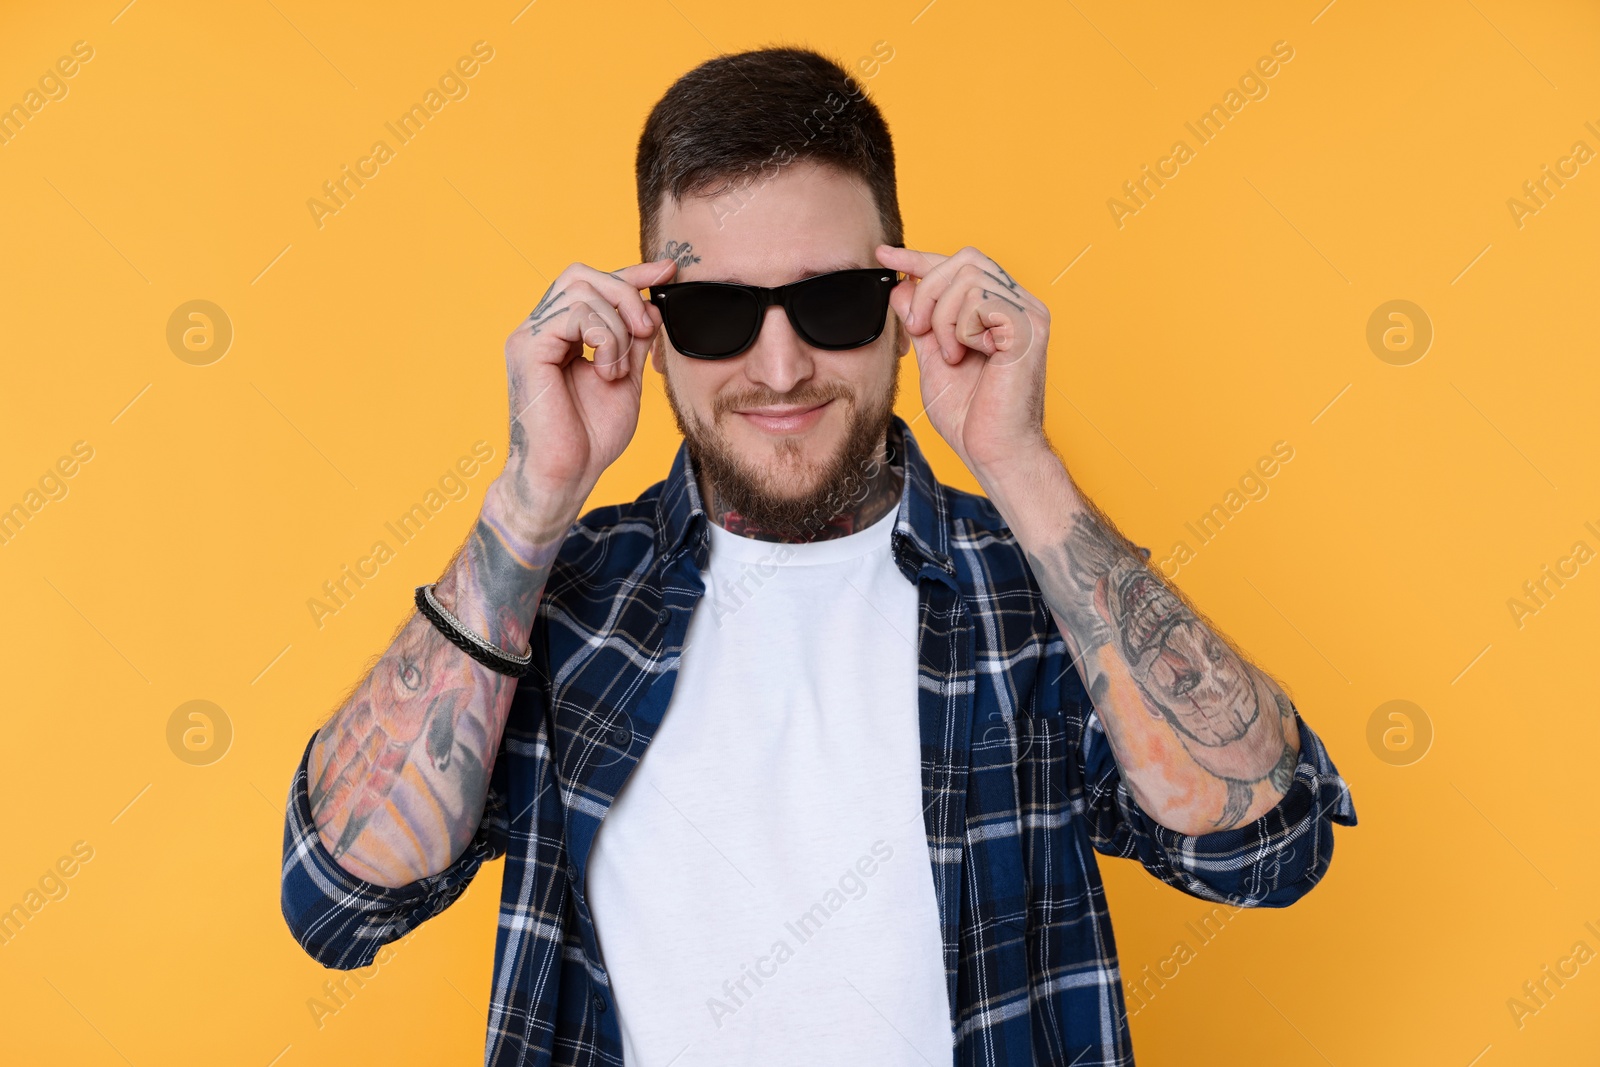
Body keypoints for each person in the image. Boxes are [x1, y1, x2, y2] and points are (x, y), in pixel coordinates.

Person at [279, 45, 1357, 1067]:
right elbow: (339, 896)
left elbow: (1265, 850)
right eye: (715, 314)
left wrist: (1019, 460)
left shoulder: (1025, 597)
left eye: (832, 301)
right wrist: (531, 498)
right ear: (648, 333)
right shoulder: (561, 607)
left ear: (902, 309)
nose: (781, 363)